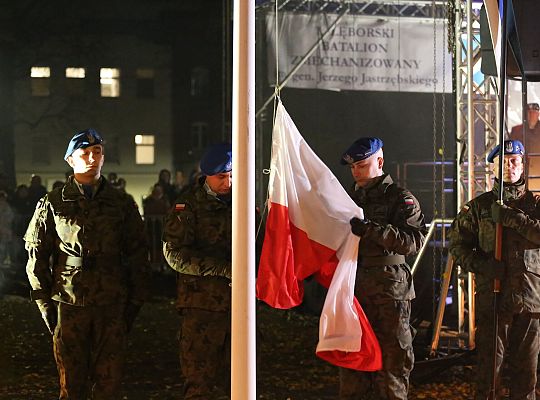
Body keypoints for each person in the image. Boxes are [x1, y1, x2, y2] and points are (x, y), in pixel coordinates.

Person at [24, 128, 150, 399]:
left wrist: (135, 301)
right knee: (72, 385)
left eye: (98, 152)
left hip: (111, 303)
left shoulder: (120, 203)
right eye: (85, 153)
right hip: (69, 304)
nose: (92, 158)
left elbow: (139, 253)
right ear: (70, 160)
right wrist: (45, 304)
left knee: (109, 383)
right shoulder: (53, 202)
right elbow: (37, 258)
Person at [448, 139, 540, 399]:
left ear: (523, 165)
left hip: (529, 301)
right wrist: (484, 266)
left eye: (514, 161)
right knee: (489, 377)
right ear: (493, 169)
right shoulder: (479, 208)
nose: (509, 167)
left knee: (526, 378)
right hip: (494, 300)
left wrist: (513, 218)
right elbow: (457, 247)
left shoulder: (535, 204)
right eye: (503, 162)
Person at [339, 137, 427, 400]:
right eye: (353, 167)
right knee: (353, 363)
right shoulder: (346, 198)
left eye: (362, 165)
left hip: (390, 294)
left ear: (379, 161)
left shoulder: (400, 198)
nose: (356, 171)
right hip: (352, 289)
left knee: (392, 366)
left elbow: (413, 241)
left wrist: (372, 230)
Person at [163, 142, 233, 400]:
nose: (228, 182)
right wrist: (224, 269)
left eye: (232, 175)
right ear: (207, 176)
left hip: (239, 308)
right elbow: (175, 254)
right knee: (199, 384)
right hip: (201, 308)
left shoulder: (243, 203)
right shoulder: (188, 206)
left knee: (240, 383)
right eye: (222, 177)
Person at [509, 102, 540, 190]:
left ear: (538, 113)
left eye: (534, 112)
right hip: (521, 173)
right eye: (529, 112)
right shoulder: (516, 130)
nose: (531, 114)